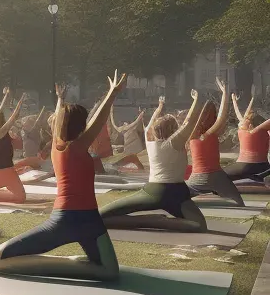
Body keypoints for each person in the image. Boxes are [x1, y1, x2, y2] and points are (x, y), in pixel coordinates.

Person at [0, 73, 127, 280]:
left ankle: (67, 263)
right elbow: (97, 121)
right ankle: (63, 263)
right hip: (71, 219)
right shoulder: (74, 147)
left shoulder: (57, 146)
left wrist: (61, 99)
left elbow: (62, 119)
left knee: (111, 272)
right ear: (80, 125)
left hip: (84, 219)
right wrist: (111, 94)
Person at [99, 91, 207, 232]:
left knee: (100, 216)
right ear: (174, 129)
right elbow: (189, 121)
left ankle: (149, 221)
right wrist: (196, 100)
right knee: (199, 226)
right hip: (178, 194)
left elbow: (151, 125)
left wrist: (159, 107)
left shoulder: (150, 141)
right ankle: (157, 221)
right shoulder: (176, 142)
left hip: (154, 192)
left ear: (156, 130)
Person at [187, 78, 244, 206]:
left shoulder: (190, 136)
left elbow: (188, 119)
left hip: (196, 178)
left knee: (181, 198)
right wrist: (225, 93)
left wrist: (195, 101)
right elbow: (221, 116)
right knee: (239, 202)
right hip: (216, 177)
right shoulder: (209, 134)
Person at [225, 93, 270, 184]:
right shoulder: (246, 130)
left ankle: (257, 177)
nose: (240, 122)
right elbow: (239, 114)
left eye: (245, 120)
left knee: (222, 176)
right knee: (221, 175)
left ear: (250, 124)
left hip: (254, 166)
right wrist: (234, 100)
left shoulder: (255, 131)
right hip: (251, 166)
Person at [13, 106, 47, 173]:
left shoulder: (34, 125)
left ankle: (33, 166)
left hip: (34, 157)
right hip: (31, 156)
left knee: (15, 166)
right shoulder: (23, 126)